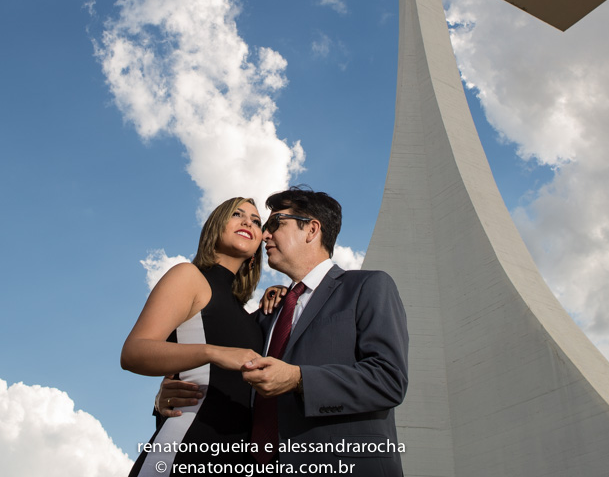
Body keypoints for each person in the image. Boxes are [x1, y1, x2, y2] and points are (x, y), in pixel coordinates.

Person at [160, 187, 409, 476]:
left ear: (311, 229)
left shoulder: (367, 288)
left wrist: (298, 378)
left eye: (275, 223)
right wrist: (169, 393)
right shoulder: (266, 315)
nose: (264, 235)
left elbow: (389, 379)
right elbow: (220, 360)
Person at [120, 197, 265, 477]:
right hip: (185, 446)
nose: (248, 221)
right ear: (216, 225)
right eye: (237, 214)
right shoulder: (189, 276)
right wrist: (214, 352)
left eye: (256, 221)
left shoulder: (249, 317)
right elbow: (133, 353)